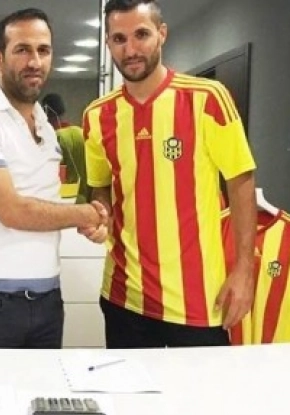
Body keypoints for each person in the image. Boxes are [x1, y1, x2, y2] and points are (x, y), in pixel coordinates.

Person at [83, 0, 257, 348]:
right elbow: (101, 187)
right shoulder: (97, 116)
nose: (130, 49)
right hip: (124, 297)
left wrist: (244, 271)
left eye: (141, 34)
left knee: (202, 386)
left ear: (161, 34)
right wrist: (99, 215)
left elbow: (241, 183)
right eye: (119, 39)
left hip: (197, 302)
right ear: (108, 44)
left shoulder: (208, 98)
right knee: (127, 386)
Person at [0, 8, 108, 348]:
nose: (35, 61)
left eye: (43, 50)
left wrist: (93, 222)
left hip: (47, 300)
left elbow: (43, 198)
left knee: (44, 386)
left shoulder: (44, 124)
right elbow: (12, 211)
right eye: (22, 50)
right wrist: (84, 214)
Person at [41, 93, 89, 203]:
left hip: (67, 200)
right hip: (88, 199)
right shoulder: (81, 132)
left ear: (45, 113)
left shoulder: (56, 139)